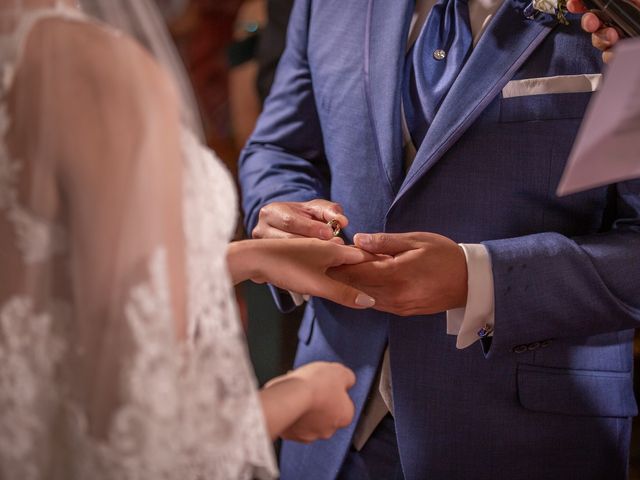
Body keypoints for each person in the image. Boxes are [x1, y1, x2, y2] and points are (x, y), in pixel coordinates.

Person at [239, 0, 640, 479]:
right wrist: (280, 211)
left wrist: (481, 279)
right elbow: (279, 148)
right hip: (330, 425)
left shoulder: (616, 16)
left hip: (527, 440)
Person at [0, 0, 380, 478]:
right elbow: (143, 440)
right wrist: (296, 396)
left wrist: (243, 259)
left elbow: (48, 288)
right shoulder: (91, 73)